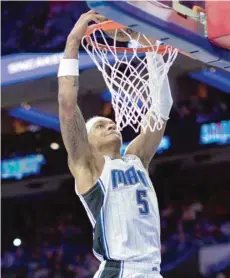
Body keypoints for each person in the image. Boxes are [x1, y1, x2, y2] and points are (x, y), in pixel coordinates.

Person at [58, 10, 173, 278]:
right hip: (119, 271)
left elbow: (162, 107)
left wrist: (151, 48)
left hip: (152, 270)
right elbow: (66, 105)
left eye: (110, 123)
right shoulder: (89, 166)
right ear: (87, 141)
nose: (110, 125)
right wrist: (73, 41)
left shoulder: (137, 157)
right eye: (100, 125)